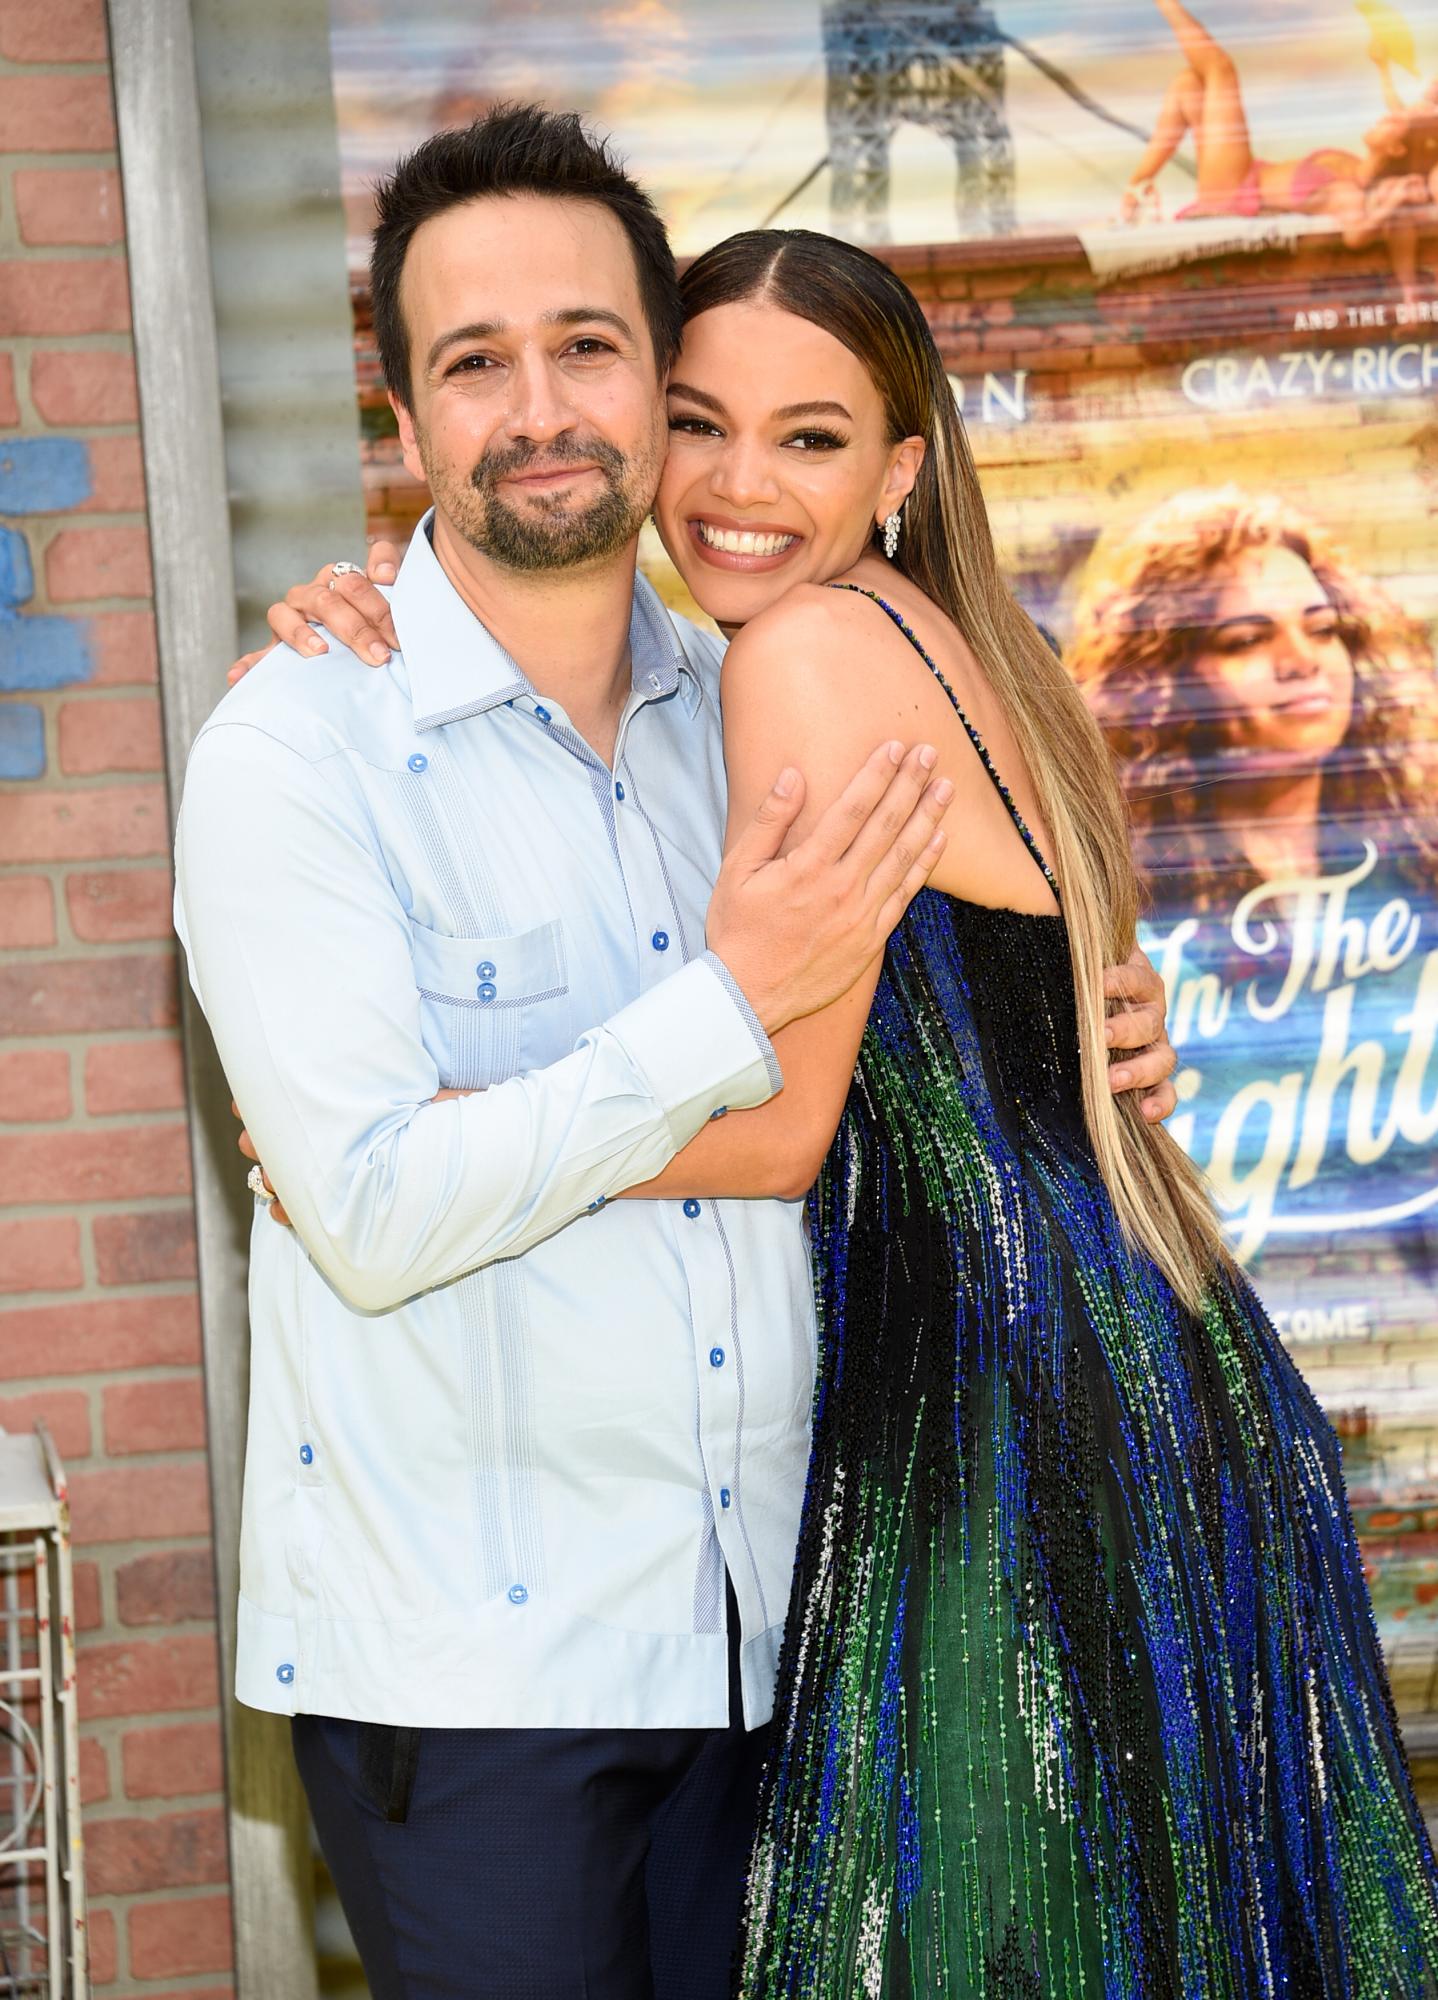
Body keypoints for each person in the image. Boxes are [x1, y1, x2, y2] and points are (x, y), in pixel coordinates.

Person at [249, 175, 1438, 1997]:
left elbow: (785, 1126)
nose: (737, 483)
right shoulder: (943, 640)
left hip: (1002, 1411)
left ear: (898, 467)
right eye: (702, 422)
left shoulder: (798, 655)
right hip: (1111, 1369)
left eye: (806, 438)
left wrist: (405, 1150)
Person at [1120, 0, 1431, 280]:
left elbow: (1356, 236)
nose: (1383, 117)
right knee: (1188, 84)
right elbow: (1407, 108)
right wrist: (1384, 70)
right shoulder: (1351, 163)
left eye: (1392, 122)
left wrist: (1393, 201)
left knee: (1220, 69)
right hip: (1243, 174)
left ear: (1396, 149)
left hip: (1235, 190)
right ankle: (1137, 185)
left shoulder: (1350, 192)